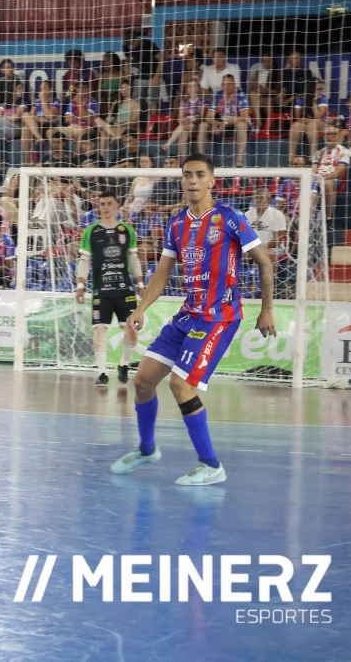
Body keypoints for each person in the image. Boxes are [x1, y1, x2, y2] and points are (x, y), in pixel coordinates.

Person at [112, 153, 276, 486]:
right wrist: (141, 308)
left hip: (219, 318)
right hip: (188, 315)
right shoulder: (177, 224)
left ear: (212, 181)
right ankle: (146, 449)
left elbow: (264, 262)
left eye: (200, 174)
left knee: (180, 385)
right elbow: (162, 272)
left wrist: (267, 309)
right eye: (187, 174)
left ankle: (211, 465)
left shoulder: (230, 218)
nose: (192, 180)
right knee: (142, 382)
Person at [76, 190, 143, 385]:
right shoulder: (91, 231)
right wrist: (80, 286)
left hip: (125, 290)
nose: (105, 207)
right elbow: (84, 260)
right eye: (102, 204)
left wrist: (140, 283)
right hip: (101, 291)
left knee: (131, 330)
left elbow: (133, 258)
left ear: (116, 206)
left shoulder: (127, 230)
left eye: (109, 203)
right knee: (99, 331)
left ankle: (124, 364)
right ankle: (102, 373)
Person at [206, 74, 250, 167]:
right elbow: (208, 116)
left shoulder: (241, 95)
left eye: (229, 84)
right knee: (203, 126)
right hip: (221, 124)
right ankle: (201, 158)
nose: (227, 86)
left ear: (234, 84)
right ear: (222, 85)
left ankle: (239, 160)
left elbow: (244, 116)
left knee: (242, 125)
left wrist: (225, 123)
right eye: (224, 84)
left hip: (235, 124)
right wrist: (215, 122)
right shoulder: (218, 95)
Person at [311, 124, 350, 218]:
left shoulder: (344, 151)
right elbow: (313, 169)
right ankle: (306, 216)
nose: (330, 136)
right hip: (318, 178)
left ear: (337, 135)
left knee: (327, 184)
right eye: (327, 134)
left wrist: (323, 179)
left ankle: (328, 217)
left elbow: (339, 172)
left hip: (334, 179)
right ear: (323, 136)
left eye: (333, 134)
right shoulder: (318, 152)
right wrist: (315, 178)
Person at [161, 79, 207, 157]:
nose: (191, 88)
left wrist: (190, 120)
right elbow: (180, 117)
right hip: (186, 126)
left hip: (198, 125)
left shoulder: (203, 100)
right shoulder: (184, 102)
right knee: (183, 133)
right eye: (189, 87)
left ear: (198, 88)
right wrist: (182, 120)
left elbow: (202, 116)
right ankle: (184, 159)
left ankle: (167, 145)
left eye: (194, 86)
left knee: (183, 126)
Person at [245, 187, 288, 269]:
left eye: (261, 198)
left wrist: (260, 248)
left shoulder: (277, 215)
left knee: (269, 254)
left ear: (268, 200)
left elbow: (278, 240)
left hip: (274, 248)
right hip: (252, 247)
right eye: (256, 198)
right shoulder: (247, 215)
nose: (258, 200)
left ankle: (271, 277)